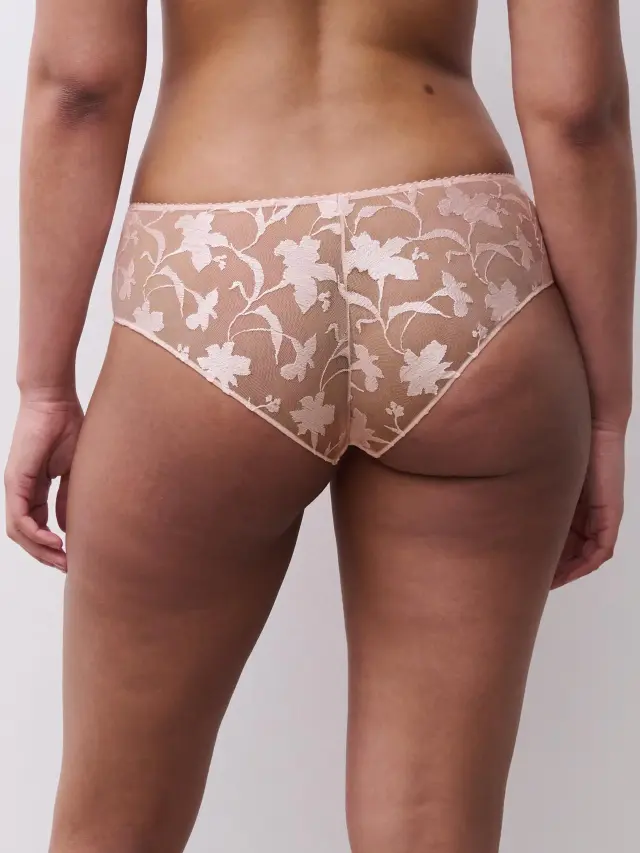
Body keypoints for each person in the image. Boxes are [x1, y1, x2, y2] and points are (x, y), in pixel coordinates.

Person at [4, 0, 635, 851]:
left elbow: (79, 87)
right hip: (454, 266)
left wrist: (44, 386)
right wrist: (608, 413)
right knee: (431, 829)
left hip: (216, 274)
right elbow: (579, 111)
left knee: (111, 827)